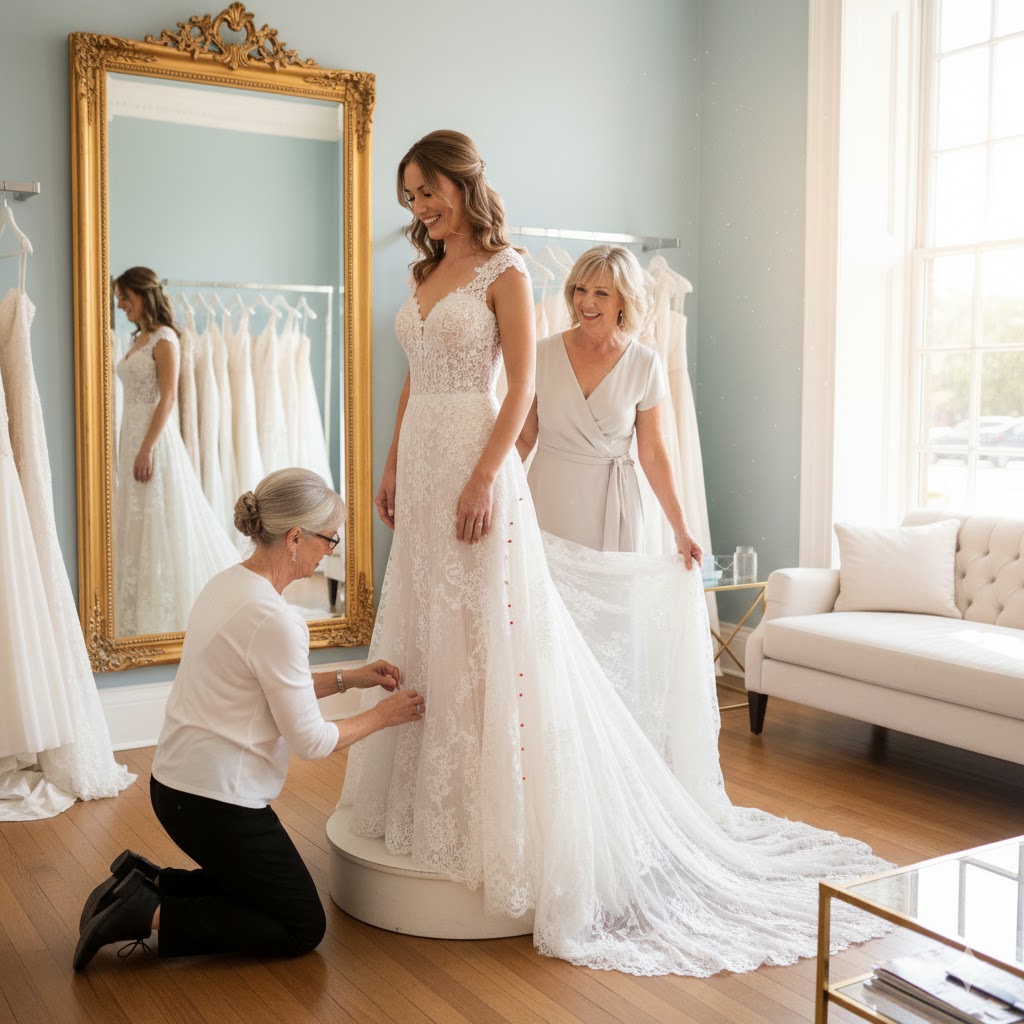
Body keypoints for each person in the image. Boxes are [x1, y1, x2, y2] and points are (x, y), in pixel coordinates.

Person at [341, 129, 890, 977]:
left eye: (429, 191)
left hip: (476, 467)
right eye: (409, 197)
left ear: (463, 183)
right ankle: (427, 801)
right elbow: (414, 377)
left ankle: (507, 815)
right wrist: (389, 460)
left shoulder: (507, 272)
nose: (420, 209)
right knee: (426, 626)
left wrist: (487, 477)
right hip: (421, 465)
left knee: (491, 636)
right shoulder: (423, 274)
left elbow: (521, 386)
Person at [73, 468, 425, 971]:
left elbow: (272, 686)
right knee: (303, 924)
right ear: (296, 537)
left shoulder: (228, 584)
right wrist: (384, 716)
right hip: (213, 802)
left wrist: (353, 678)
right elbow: (310, 740)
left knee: (257, 888)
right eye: (329, 539)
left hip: (174, 786)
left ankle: (143, 881)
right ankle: (146, 912)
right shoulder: (277, 620)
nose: (332, 552)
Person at [519, 244, 702, 563]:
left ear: (623, 300)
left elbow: (654, 455)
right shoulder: (541, 354)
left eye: (601, 293)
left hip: (612, 506)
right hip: (548, 500)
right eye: (581, 289)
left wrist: (681, 530)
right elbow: (523, 438)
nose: (586, 302)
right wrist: (489, 489)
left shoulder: (645, 364)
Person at [112, 267, 237, 635]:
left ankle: (168, 610)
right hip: (131, 435)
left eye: (124, 297)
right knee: (137, 520)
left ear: (141, 294)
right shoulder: (140, 337)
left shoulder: (165, 339)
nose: (120, 305)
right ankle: (134, 604)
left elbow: (167, 398)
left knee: (158, 520)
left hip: (153, 440)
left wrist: (146, 448)